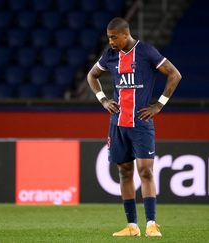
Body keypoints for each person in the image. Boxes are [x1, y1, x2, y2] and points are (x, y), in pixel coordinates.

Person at [87, 17, 181, 237]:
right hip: (118, 123)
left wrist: (159, 104)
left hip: (141, 122)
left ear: (125, 34)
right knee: (124, 172)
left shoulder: (146, 52)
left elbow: (175, 75)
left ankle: (151, 224)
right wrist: (103, 99)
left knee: (145, 171)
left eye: (113, 37)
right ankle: (132, 227)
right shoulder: (110, 55)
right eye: (108, 37)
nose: (110, 41)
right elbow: (92, 75)